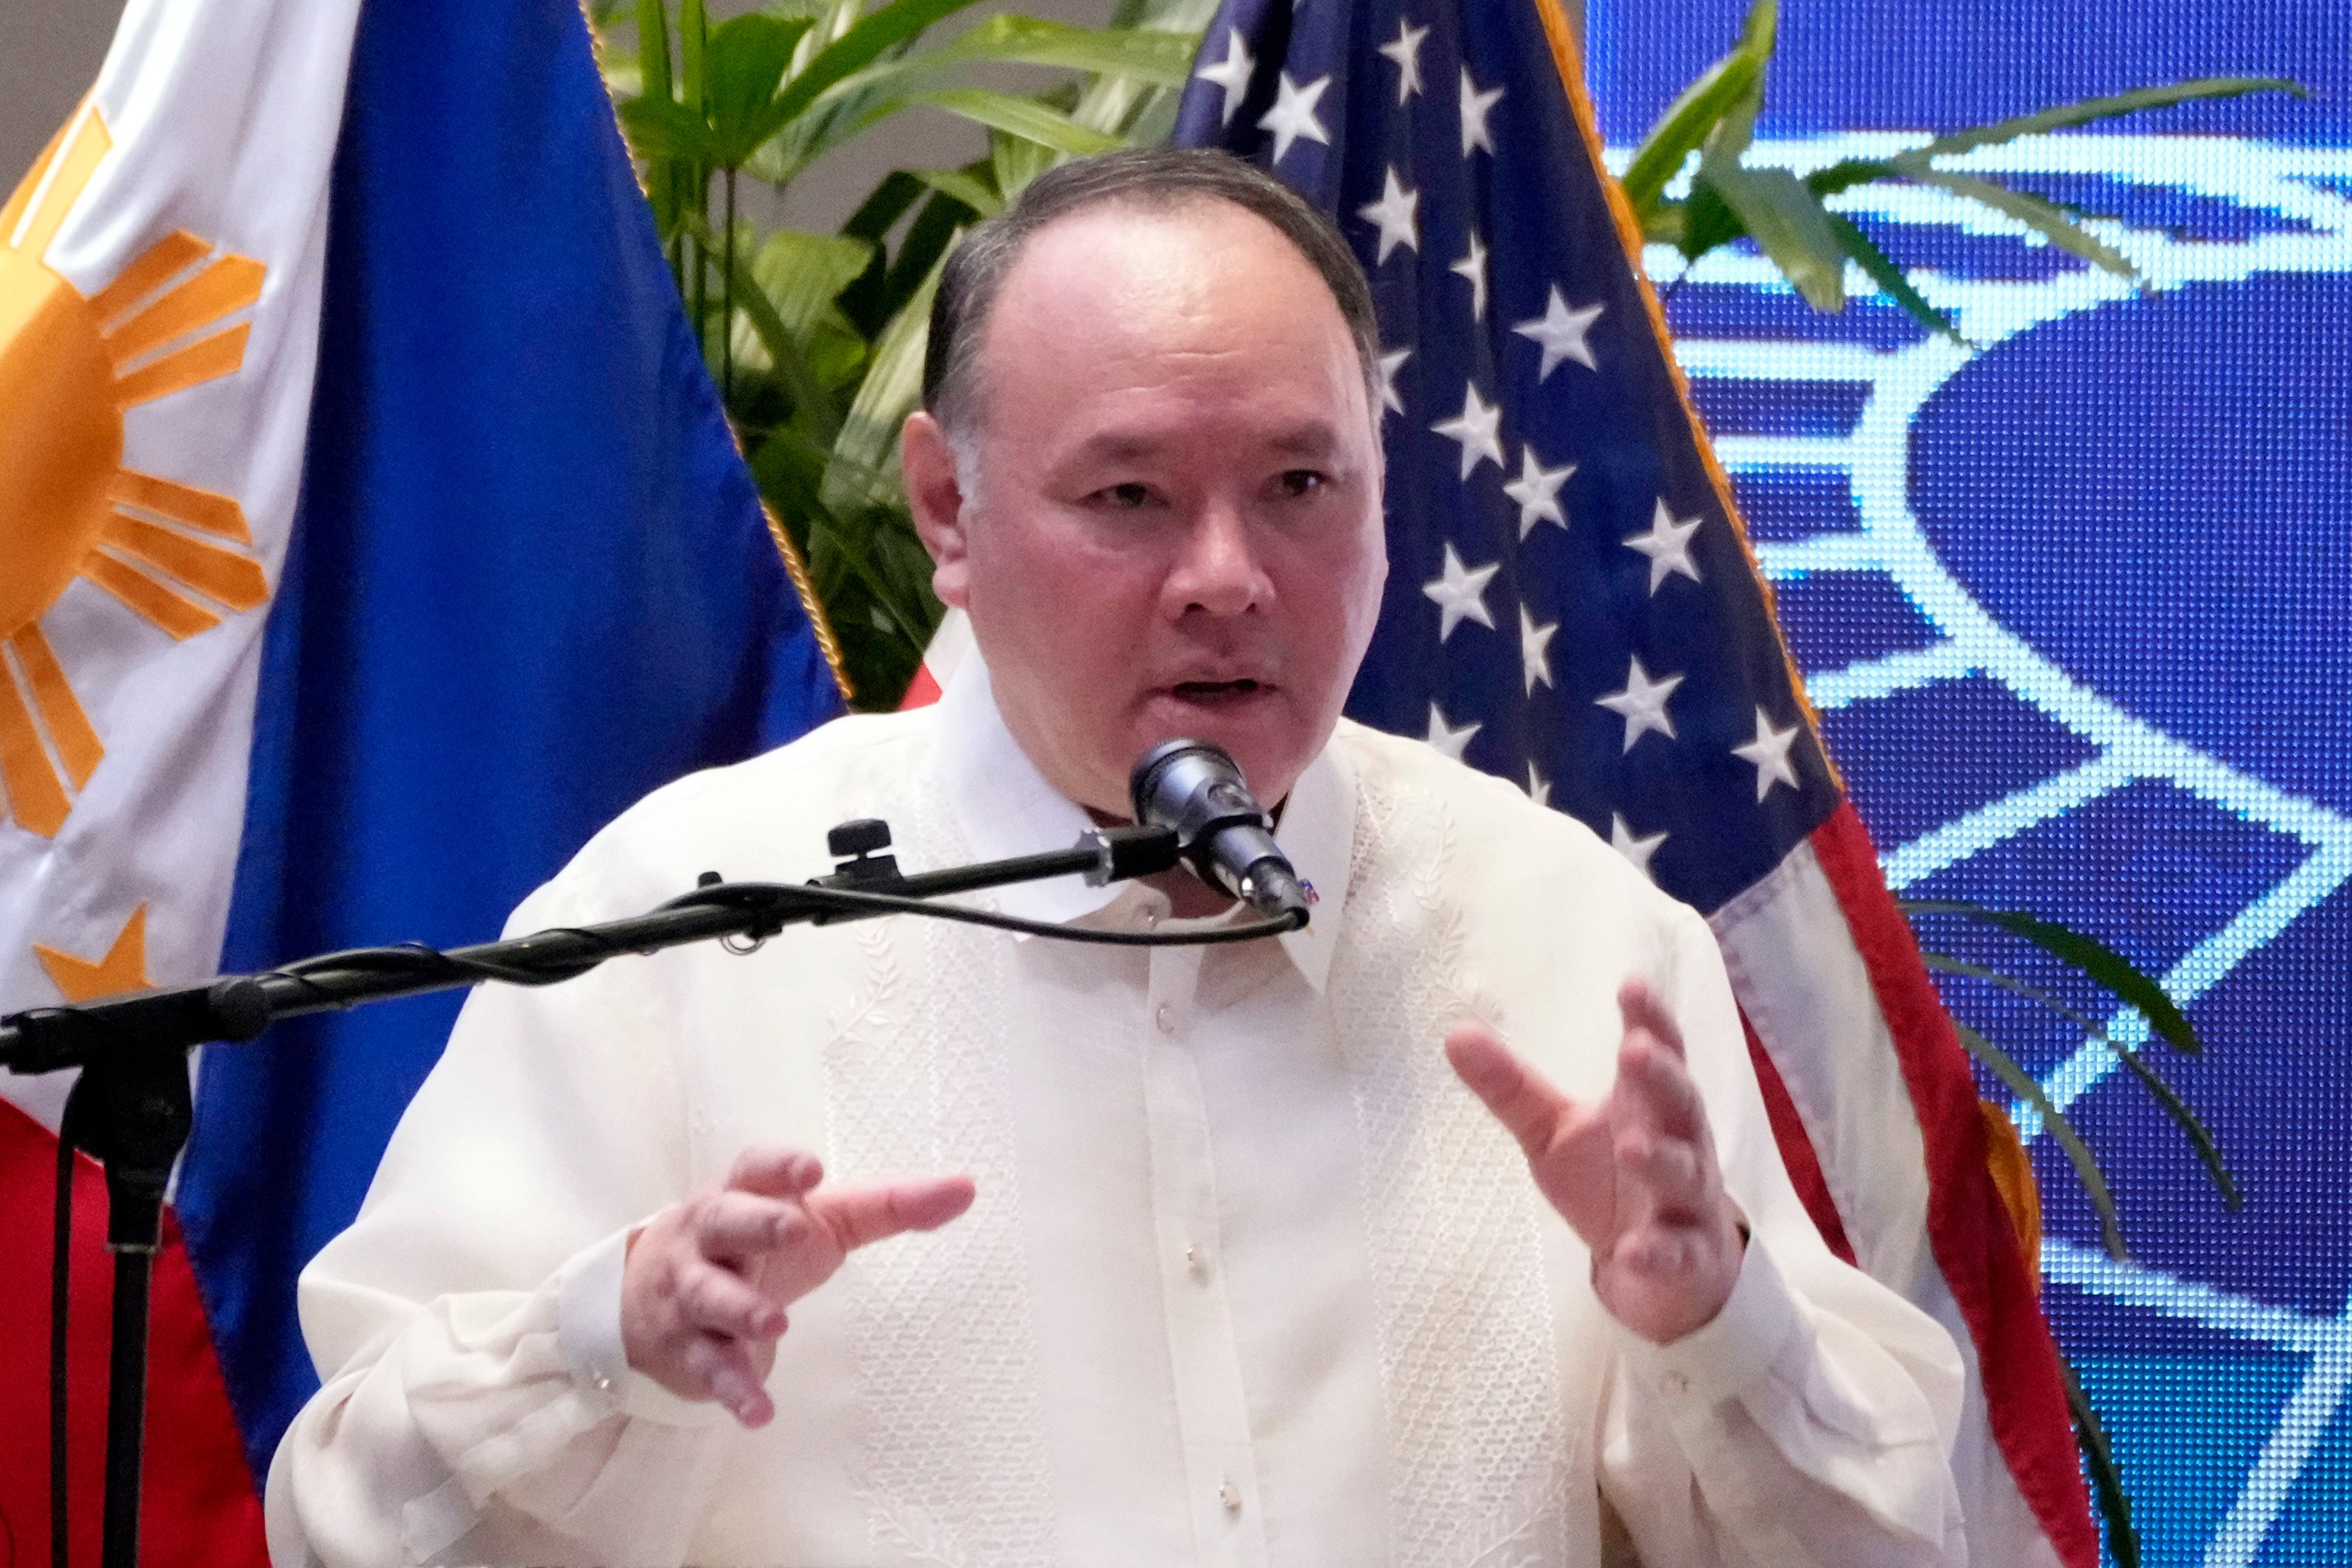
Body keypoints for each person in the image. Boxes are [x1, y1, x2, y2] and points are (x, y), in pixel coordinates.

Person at [266, 148, 1968, 1567]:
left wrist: (1711, 1322)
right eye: (1133, 498)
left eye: (1302, 483)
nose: (1229, 576)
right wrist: (607, 1343)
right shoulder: (688, 924)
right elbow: (337, 1522)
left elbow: (1896, 1548)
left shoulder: (1568, 935)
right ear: (948, 506)